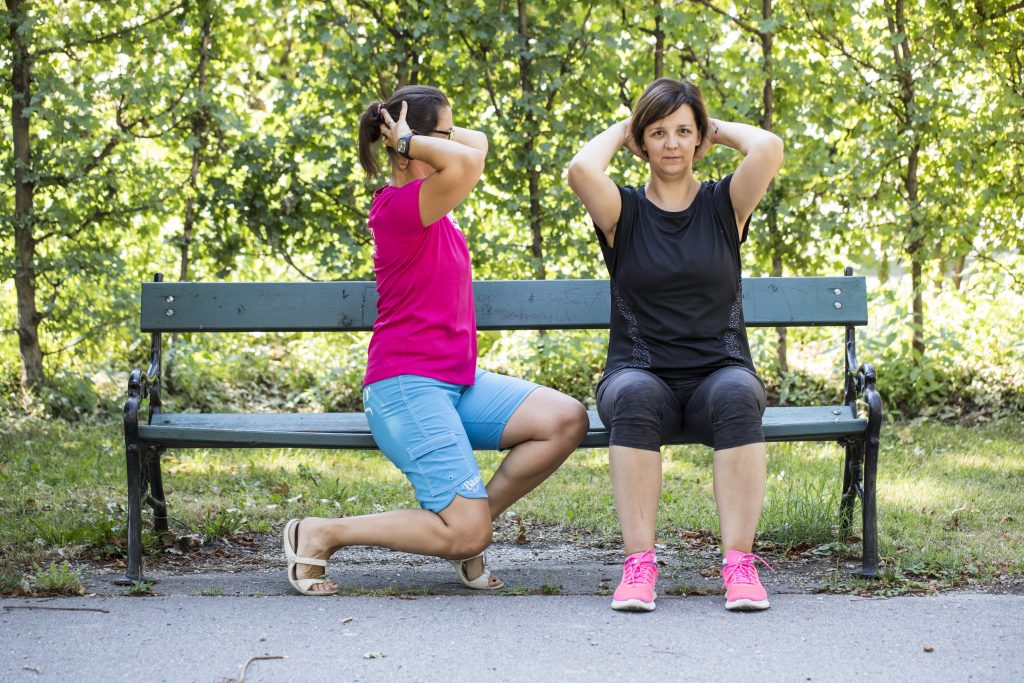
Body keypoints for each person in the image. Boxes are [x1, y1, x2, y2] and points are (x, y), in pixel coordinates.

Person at [283, 85, 589, 595]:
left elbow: (480, 145)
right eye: (443, 135)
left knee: (565, 419)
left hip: (457, 382)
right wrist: (407, 140)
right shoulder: (402, 208)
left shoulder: (432, 204)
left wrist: (415, 133)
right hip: (406, 386)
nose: (455, 144)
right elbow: (470, 164)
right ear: (411, 145)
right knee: (470, 529)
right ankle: (321, 533)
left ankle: (463, 532)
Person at [567, 78, 784, 612]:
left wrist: (710, 128)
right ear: (641, 142)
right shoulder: (623, 212)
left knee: (738, 394)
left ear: (699, 141)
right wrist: (626, 128)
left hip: (720, 372)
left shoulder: (725, 204)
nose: (670, 144)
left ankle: (739, 568)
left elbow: (769, 147)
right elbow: (580, 171)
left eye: (683, 132)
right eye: (658, 132)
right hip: (639, 374)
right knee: (637, 397)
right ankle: (639, 567)